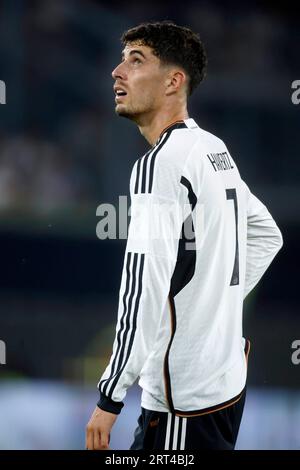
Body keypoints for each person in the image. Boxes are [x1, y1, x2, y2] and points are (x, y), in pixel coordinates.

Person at [86, 21, 283, 450]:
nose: (117, 72)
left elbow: (144, 283)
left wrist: (110, 395)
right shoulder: (212, 148)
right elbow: (267, 234)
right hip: (226, 382)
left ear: (175, 80)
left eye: (136, 61)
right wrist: (211, 309)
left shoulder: (162, 163)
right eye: (121, 61)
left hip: (183, 399)